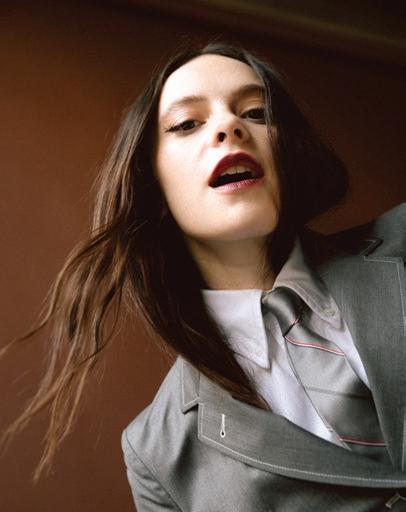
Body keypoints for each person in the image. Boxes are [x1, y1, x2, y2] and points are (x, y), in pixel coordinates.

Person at [3, 42, 406, 510]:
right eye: (186, 123)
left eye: (255, 113)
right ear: (153, 185)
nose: (229, 126)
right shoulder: (156, 456)